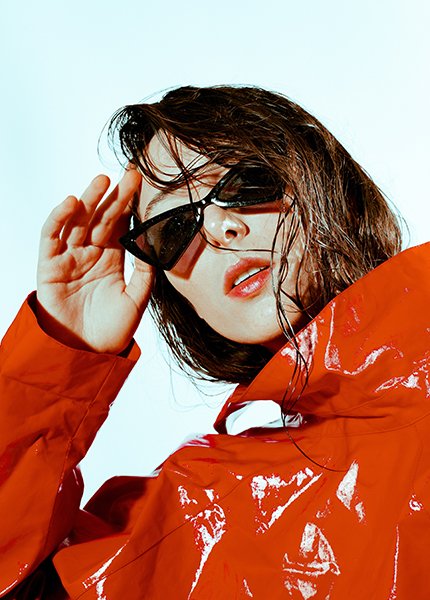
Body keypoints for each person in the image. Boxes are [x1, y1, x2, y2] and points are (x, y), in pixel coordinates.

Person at [1, 85, 429, 600]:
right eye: (173, 228)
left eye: (245, 183)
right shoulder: (202, 514)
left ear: (328, 182)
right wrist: (62, 356)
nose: (220, 229)